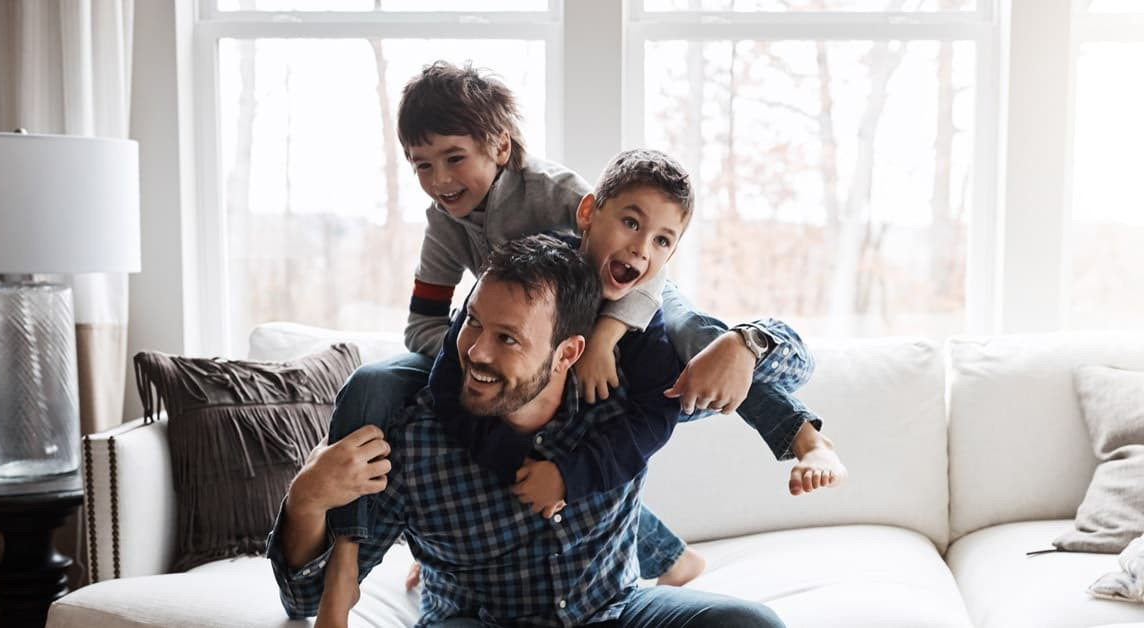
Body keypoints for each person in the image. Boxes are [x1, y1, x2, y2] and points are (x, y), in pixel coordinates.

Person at [325, 61, 841, 596]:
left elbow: (631, 258)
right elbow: (422, 325)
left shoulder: (556, 194)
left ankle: (803, 438)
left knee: (697, 338)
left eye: (454, 158)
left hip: (626, 309)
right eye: (422, 166)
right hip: (536, 351)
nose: (440, 180)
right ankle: (375, 552)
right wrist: (482, 349)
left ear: (500, 146)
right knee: (379, 383)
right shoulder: (444, 223)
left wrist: (605, 338)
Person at [268, 234, 786, 627]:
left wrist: (748, 344)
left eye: (508, 339)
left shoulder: (624, 399)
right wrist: (306, 501)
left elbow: (793, 370)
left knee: (751, 624)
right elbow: (305, 599)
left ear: (568, 353)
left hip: (612, 610)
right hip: (479, 622)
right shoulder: (413, 440)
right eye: (472, 323)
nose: (474, 352)